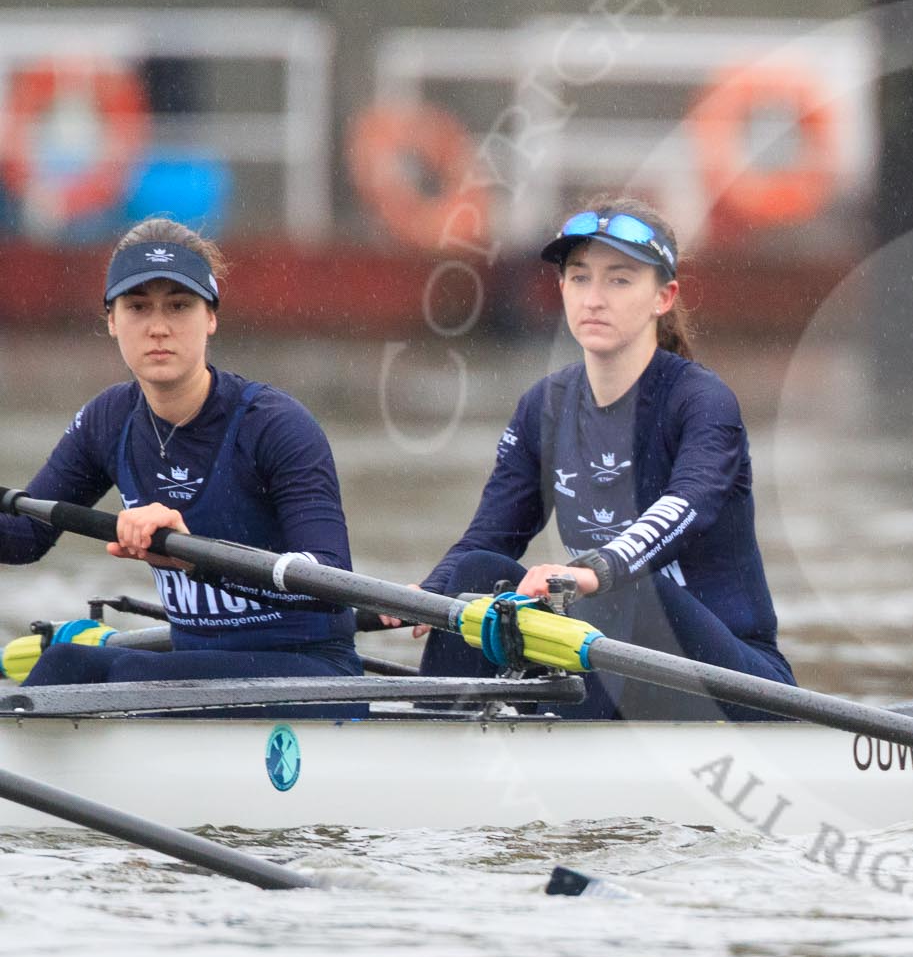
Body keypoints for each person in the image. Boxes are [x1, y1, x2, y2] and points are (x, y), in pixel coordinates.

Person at [406, 196, 794, 719]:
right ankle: (436, 744)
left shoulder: (702, 402)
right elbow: (487, 536)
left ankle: (566, 760)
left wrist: (594, 569)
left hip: (739, 685)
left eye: (619, 279)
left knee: (619, 590)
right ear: (562, 288)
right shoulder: (543, 407)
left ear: (664, 297)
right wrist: (424, 596)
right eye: (580, 277)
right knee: (474, 575)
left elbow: (687, 504)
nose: (594, 298)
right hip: (612, 655)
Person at [0, 218, 363, 691]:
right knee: (71, 666)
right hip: (193, 671)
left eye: (179, 306)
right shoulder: (108, 420)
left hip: (309, 673)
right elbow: (23, 537)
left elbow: (332, 584)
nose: (158, 328)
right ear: (111, 320)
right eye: (137, 307)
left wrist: (198, 560)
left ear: (210, 316)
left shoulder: (275, 425)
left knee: (93, 670)